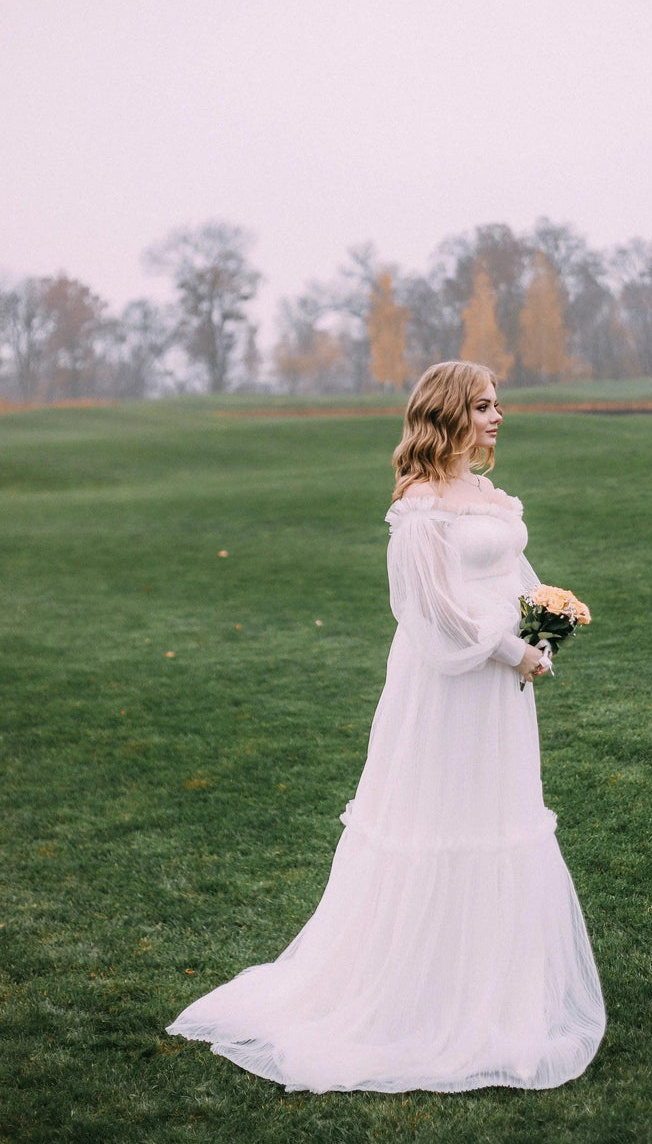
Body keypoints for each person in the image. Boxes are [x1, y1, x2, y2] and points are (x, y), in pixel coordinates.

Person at [166, 360, 606, 1092]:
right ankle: (422, 999)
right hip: (452, 685)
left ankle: (496, 991)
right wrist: (510, 651)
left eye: (499, 404)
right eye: (484, 405)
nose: (498, 416)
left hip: (501, 689)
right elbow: (430, 609)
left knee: (497, 814)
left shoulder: (485, 494)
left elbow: (512, 571)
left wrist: (547, 618)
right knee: (441, 820)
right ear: (448, 413)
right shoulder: (421, 506)